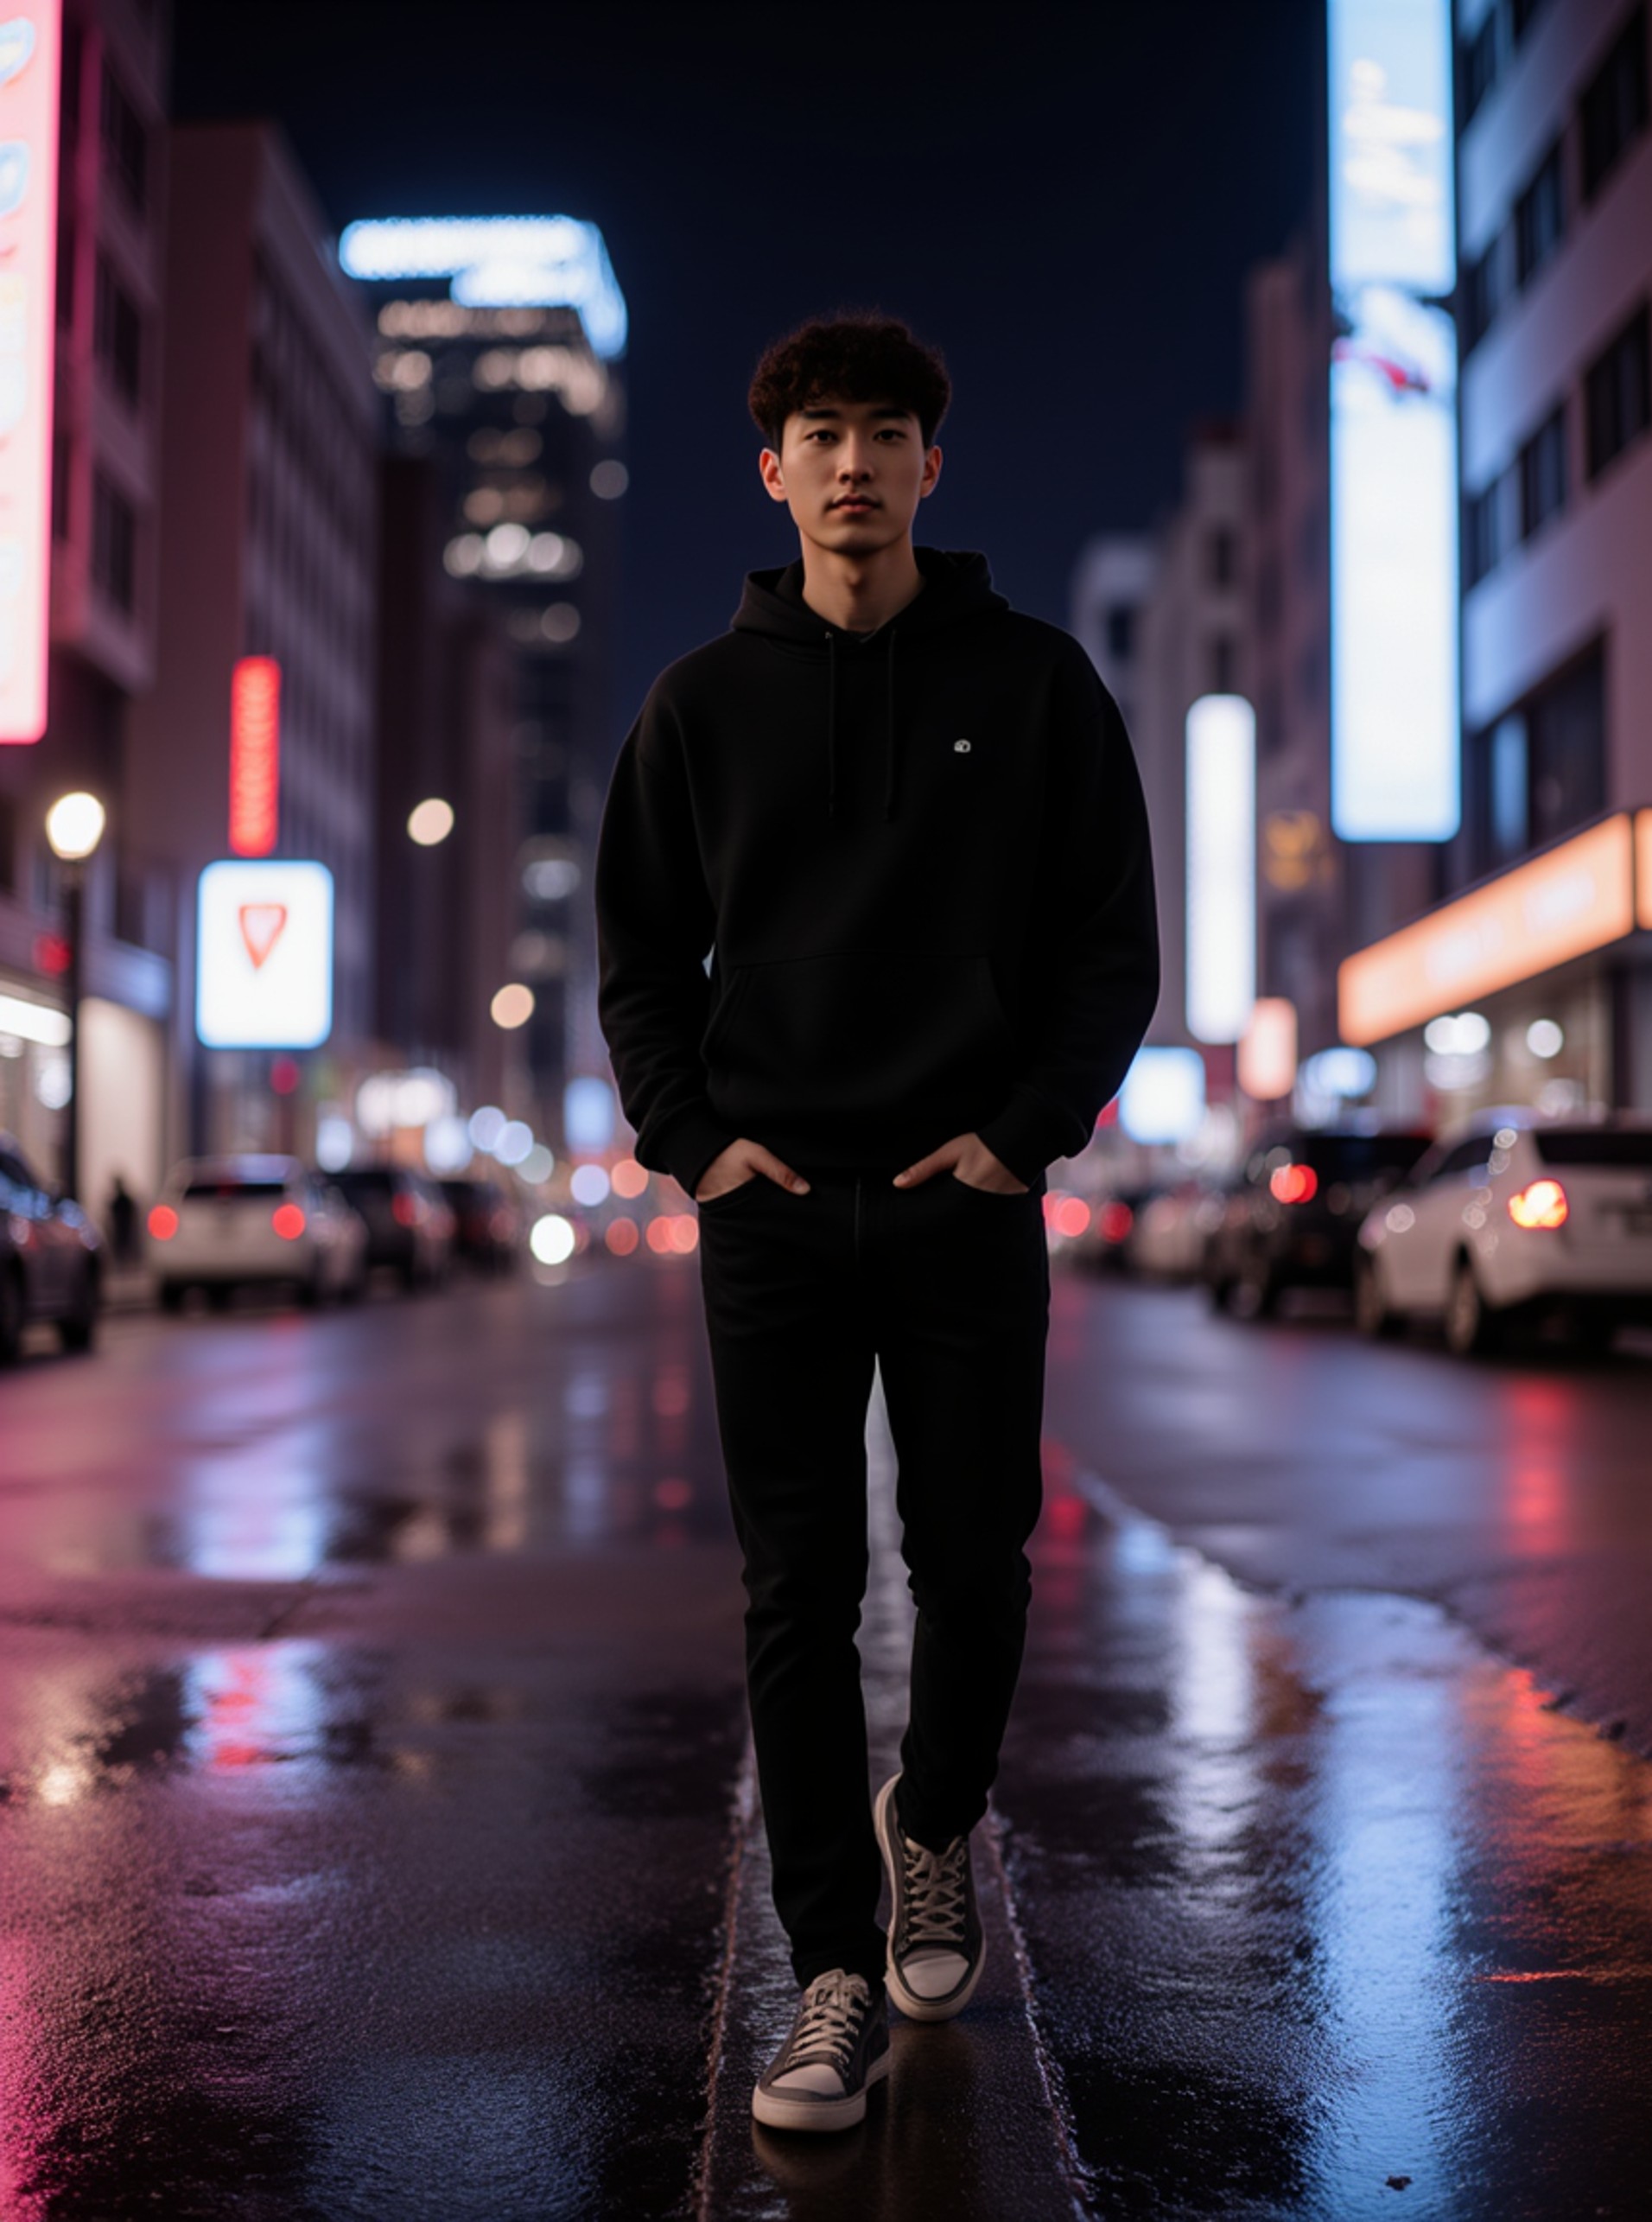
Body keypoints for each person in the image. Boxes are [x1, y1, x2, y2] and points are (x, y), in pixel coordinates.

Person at [594, 314, 1159, 2133]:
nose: (853, 461)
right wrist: (696, 1141)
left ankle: (935, 1822)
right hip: (770, 1208)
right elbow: (636, 961)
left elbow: (1107, 944)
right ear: (770, 468)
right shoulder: (698, 702)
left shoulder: (1042, 680)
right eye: (819, 433)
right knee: (796, 1591)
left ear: (933, 462)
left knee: (977, 1560)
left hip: (961, 1200)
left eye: (886, 431)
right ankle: (830, 1962)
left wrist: (1021, 1132)